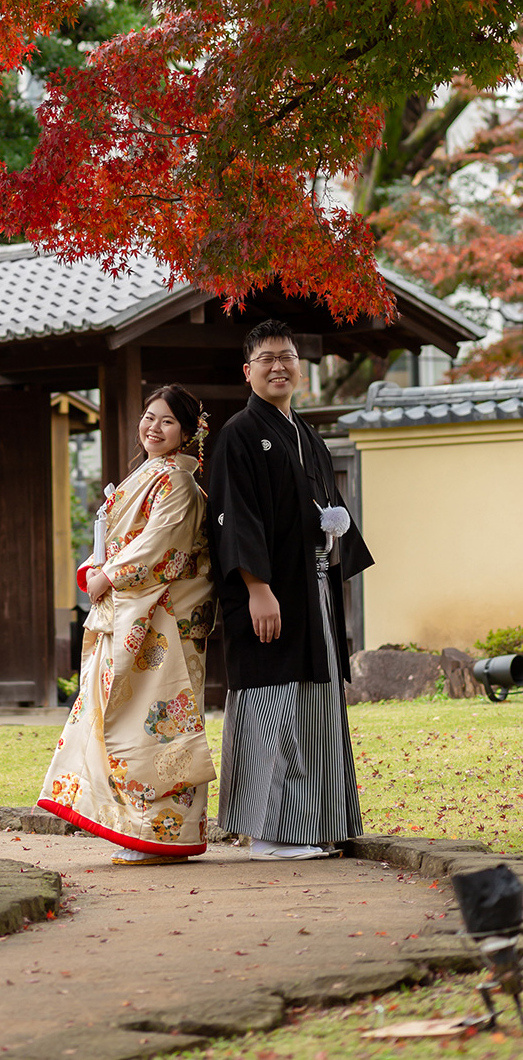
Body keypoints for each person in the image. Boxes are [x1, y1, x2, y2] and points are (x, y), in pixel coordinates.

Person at [208, 318, 373, 861]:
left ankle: (313, 824)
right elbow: (236, 518)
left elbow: (325, 510)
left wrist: (336, 526)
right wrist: (256, 587)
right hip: (270, 594)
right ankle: (269, 833)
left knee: (314, 704)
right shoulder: (237, 433)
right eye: (267, 359)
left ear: (299, 366)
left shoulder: (306, 433)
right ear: (248, 371)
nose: (278, 366)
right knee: (273, 703)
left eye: (287, 357)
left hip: (313, 591)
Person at [37, 384, 216, 863]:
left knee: (152, 726)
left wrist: (106, 576)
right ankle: (137, 827)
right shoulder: (152, 475)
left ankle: (160, 834)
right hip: (142, 610)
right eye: (148, 416)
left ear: (187, 432)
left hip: (164, 619)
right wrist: (98, 570)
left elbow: (159, 548)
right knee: (126, 719)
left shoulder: (178, 482)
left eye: (167, 421)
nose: (153, 428)